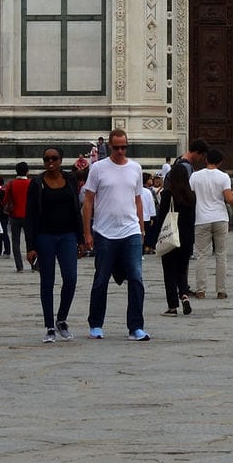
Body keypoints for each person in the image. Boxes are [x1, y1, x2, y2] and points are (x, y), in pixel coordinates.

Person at [82, 128, 149, 341]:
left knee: (136, 279)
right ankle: (96, 323)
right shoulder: (98, 169)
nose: (120, 151)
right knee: (101, 280)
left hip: (130, 231)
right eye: (117, 147)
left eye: (124, 147)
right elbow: (89, 200)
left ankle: (136, 327)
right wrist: (87, 232)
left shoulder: (135, 168)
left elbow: (138, 198)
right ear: (109, 146)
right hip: (104, 232)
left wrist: (141, 227)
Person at [26, 147, 83, 341]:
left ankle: (62, 319)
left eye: (54, 158)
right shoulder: (36, 183)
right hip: (45, 237)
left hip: (68, 236)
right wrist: (30, 247)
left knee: (71, 278)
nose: (50, 161)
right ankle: (50, 326)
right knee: (47, 282)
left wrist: (81, 239)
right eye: (47, 159)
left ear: (61, 160)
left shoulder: (70, 180)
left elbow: (77, 209)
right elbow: (30, 216)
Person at [186, 143, 233, 299]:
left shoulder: (195, 176)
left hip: (201, 219)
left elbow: (190, 195)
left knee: (201, 255)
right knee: (221, 255)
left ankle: (200, 290)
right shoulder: (223, 176)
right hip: (220, 218)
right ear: (220, 162)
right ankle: (221, 290)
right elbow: (228, 198)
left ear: (206, 159)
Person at [154, 154, 196, 317]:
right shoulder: (191, 196)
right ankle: (184, 295)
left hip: (171, 236)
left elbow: (161, 217)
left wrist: (153, 239)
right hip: (186, 238)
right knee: (182, 269)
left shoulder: (167, 195)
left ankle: (172, 306)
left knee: (169, 271)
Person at [4, 162, 31, 272]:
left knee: (16, 242)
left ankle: (19, 266)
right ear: (27, 171)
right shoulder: (31, 183)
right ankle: (34, 264)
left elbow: (5, 200)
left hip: (14, 216)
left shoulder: (11, 184)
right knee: (31, 241)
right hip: (29, 216)